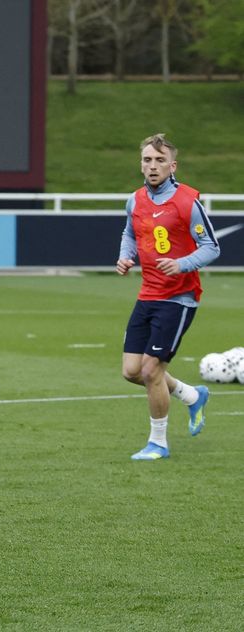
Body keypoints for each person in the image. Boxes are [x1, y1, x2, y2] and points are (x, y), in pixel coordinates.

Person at [117, 133, 220, 461]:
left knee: (150, 371)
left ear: (172, 165)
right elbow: (130, 233)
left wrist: (181, 264)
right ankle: (192, 395)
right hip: (147, 294)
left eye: (160, 160)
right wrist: (125, 256)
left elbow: (211, 247)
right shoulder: (135, 200)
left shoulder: (188, 202)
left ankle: (158, 442)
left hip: (179, 298)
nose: (152, 165)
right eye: (147, 160)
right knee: (131, 371)